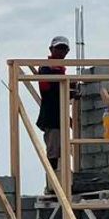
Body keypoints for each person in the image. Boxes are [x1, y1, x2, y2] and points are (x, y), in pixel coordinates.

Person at [36, 35, 71, 193]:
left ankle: (59, 183)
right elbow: (46, 88)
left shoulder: (61, 70)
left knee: (61, 151)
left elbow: (60, 92)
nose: (61, 52)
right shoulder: (46, 67)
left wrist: (70, 89)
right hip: (52, 118)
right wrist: (67, 87)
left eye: (64, 49)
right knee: (54, 152)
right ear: (51, 49)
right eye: (58, 48)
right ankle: (52, 185)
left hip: (60, 117)